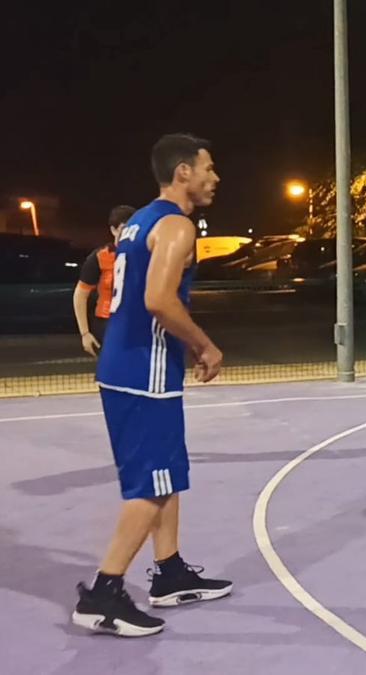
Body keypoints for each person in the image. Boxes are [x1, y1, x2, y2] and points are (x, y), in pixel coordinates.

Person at [72, 133, 231, 638]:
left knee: (165, 475)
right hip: (145, 374)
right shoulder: (177, 225)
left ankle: (170, 572)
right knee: (149, 487)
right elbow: (159, 299)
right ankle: (104, 593)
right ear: (183, 171)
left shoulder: (138, 220)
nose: (215, 177)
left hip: (126, 368)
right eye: (208, 167)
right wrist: (204, 345)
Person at [73, 205, 136, 356]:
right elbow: (80, 295)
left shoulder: (144, 255)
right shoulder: (100, 257)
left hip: (136, 321)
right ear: (113, 230)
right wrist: (85, 333)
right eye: (124, 228)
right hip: (108, 323)